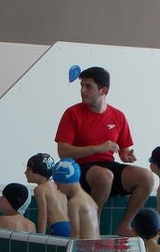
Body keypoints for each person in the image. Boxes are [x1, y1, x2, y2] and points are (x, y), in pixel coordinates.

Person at [55, 66, 153, 236]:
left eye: (88, 86)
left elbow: (123, 151)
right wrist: (97, 148)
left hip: (107, 167)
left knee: (147, 177)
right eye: (82, 86)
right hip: (80, 169)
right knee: (104, 175)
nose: (82, 90)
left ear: (103, 90)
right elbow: (63, 152)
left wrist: (127, 156)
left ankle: (124, 226)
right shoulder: (72, 114)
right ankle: (93, 222)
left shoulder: (118, 116)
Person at [53, 158, 100, 239]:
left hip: (84, 249)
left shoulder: (74, 202)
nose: (58, 189)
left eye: (58, 184)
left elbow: (75, 233)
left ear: (66, 181)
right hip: (95, 245)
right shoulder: (89, 199)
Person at [32, 154, 73, 236]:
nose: (25, 173)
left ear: (39, 172)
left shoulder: (40, 189)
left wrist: (41, 237)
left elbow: (43, 215)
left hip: (58, 227)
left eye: (28, 170)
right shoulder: (58, 186)